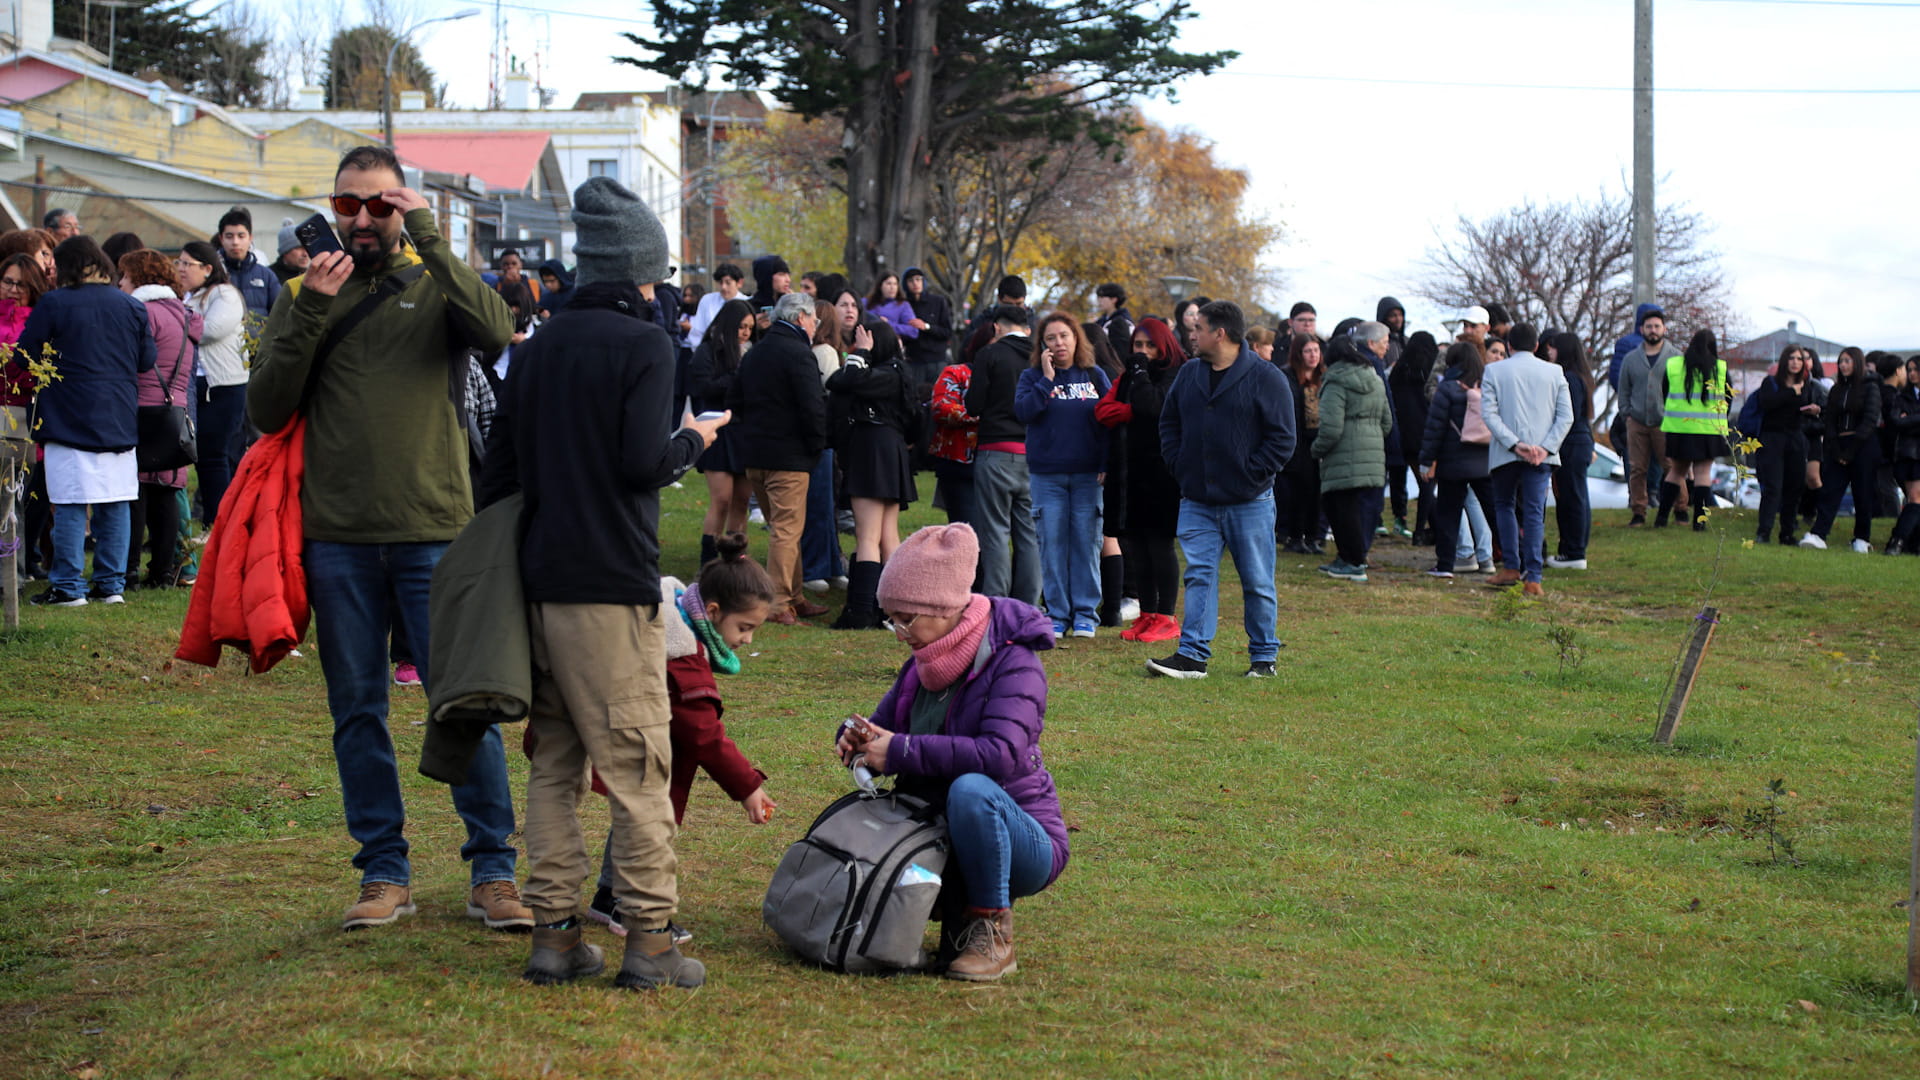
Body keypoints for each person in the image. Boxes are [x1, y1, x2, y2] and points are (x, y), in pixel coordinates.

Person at [247, 144, 527, 931]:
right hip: (336, 537)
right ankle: (382, 871)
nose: (364, 219)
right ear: (331, 208)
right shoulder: (304, 294)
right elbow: (265, 409)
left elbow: (499, 329)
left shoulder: (434, 285)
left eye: (381, 204)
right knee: (358, 709)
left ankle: (494, 872)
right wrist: (307, 307)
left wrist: (430, 236)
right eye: (349, 205)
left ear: (402, 209)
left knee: (463, 702)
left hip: (437, 530)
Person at [476, 175, 722, 989]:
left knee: (553, 766)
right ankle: (649, 942)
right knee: (638, 769)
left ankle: (554, 937)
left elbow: (498, 472)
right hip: (610, 589)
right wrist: (692, 440)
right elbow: (640, 463)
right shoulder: (647, 346)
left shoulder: (536, 349)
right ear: (641, 274)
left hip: (536, 584)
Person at [835, 523, 1070, 981]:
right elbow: (886, 729)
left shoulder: (1015, 662)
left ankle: (992, 931)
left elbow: (1000, 755)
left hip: (1023, 839)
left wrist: (898, 751)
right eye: (892, 619)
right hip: (943, 833)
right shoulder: (921, 663)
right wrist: (859, 738)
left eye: (907, 618)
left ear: (944, 608)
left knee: (971, 791)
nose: (900, 632)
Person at [578, 535, 782, 940]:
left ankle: (608, 895)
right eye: (744, 627)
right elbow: (705, 734)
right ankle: (634, 906)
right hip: (639, 750)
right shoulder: (681, 658)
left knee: (632, 823)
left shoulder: (673, 621)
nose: (747, 640)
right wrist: (748, 787)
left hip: (632, 742)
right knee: (647, 829)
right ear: (712, 610)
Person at [1150, 300, 1294, 679]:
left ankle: (1264, 659)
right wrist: (1180, 466)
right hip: (1196, 498)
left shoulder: (1267, 377)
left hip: (1251, 501)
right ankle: (1192, 656)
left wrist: (1250, 475)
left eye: (1198, 328)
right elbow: (1170, 423)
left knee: (1258, 581)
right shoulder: (1189, 374)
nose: (1190, 334)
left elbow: (1283, 439)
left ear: (1221, 333)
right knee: (1199, 574)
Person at [12, 236, 151, 606]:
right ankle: (110, 585)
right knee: (116, 501)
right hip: (119, 415)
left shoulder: (56, 303)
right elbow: (146, 361)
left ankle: (68, 586)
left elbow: (23, 356)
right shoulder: (131, 306)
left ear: (69, 266)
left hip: (67, 414)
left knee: (70, 502)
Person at [729, 291, 831, 623]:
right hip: (789, 457)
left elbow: (736, 400)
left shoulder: (755, 353)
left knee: (784, 528)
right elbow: (812, 406)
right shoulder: (799, 353)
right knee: (786, 530)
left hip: (756, 455)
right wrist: (818, 445)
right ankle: (776, 602)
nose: (816, 325)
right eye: (814, 319)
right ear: (800, 317)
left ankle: (795, 595)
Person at [1017, 313, 1110, 638]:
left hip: (1088, 476)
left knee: (1086, 544)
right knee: (1052, 544)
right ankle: (1057, 613)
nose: (1058, 343)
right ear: (1042, 345)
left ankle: (1085, 614)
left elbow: (1110, 421)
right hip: (1047, 477)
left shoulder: (1095, 376)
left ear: (1076, 339)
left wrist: (1106, 461)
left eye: (1064, 336)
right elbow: (1025, 412)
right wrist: (1046, 379)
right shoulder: (1031, 377)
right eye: (1051, 338)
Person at [826, 318, 919, 629]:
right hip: (891, 450)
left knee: (868, 536)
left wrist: (860, 354)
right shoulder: (898, 374)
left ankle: (863, 610)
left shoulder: (878, 374)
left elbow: (840, 381)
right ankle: (893, 610)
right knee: (888, 535)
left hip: (871, 448)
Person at [117, 250, 202, 588]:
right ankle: (164, 571)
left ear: (138, 277)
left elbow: (131, 360)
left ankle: (130, 570)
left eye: (123, 276)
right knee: (167, 489)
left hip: (140, 408)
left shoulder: (140, 312)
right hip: (175, 410)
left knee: (135, 491)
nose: (119, 283)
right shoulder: (184, 315)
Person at [1099, 316, 1185, 643]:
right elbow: (1104, 411)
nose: (1144, 351)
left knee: (1159, 545)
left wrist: (1137, 376)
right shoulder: (1131, 374)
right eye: (1138, 345)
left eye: (1150, 345)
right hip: (1129, 470)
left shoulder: (1174, 372)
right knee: (1136, 545)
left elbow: (1152, 406)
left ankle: (1166, 615)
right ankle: (1148, 613)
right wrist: (1131, 403)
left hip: (1162, 471)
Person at [1480, 324, 1573, 595]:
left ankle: (1510, 567)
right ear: (1536, 346)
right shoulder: (1554, 372)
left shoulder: (1494, 370)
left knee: (1504, 506)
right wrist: (1545, 447)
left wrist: (1514, 444)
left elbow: (1490, 414)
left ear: (1509, 346)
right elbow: (1566, 416)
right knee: (1534, 512)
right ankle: (1533, 577)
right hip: (1541, 455)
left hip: (1505, 453)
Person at [964, 303, 1041, 605]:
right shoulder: (1041, 358)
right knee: (1030, 535)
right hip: (1034, 454)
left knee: (995, 532)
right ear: (1029, 329)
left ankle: (997, 603)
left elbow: (973, 404)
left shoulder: (990, 355)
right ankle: (1029, 605)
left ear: (996, 327)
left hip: (995, 451)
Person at [174, 241, 248, 529]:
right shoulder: (189, 296)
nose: (180, 269)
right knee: (203, 457)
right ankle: (215, 522)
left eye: (187, 264)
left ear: (207, 268)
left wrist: (176, 320)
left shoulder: (225, 294)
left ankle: (217, 523)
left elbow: (210, 330)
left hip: (224, 387)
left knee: (215, 455)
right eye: (178, 263)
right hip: (197, 385)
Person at [1311, 327, 1393, 583]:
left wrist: (1315, 450)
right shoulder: (1375, 379)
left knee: (1340, 510)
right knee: (1357, 511)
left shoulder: (1335, 381)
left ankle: (1354, 562)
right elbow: (1387, 422)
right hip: (1372, 455)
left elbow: (1331, 428)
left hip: (1342, 457)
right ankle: (1347, 559)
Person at [1419, 341, 1494, 579]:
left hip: (1452, 463)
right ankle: (1511, 559)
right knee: (1495, 512)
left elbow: (1435, 428)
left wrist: (1426, 460)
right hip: (1485, 461)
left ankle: (1445, 565)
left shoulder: (1448, 388)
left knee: (1449, 514)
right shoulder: (1488, 386)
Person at [688, 298, 755, 564]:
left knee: (741, 501)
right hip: (717, 430)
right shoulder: (707, 352)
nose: (746, 333)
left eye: (750, 328)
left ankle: (735, 560)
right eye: (741, 327)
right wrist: (738, 375)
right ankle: (708, 562)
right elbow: (703, 388)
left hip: (745, 432)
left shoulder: (753, 351)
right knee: (722, 500)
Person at [0, 252, 51, 579]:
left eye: (22, 283)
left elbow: (34, 373)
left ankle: (13, 574)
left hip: (23, 416)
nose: (13, 289)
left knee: (15, 501)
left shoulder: (40, 321)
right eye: (8, 281)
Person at [1800, 347, 1881, 552]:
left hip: (1863, 446)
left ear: (1857, 362)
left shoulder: (1870, 388)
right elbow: (1830, 419)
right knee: (1830, 491)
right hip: (1838, 445)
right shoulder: (1836, 389)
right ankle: (1818, 534)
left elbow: (1870, 420)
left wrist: (1851, 450)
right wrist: (1836, 448)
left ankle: (1862, 538)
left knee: (1862, 492)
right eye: (1841, 361)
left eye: (1847, 361)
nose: (1843, 365)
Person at [1655, 329, 1731, 531]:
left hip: (1679, 428)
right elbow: (1728, 397)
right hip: (1709, 429)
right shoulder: (1720, 368)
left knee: (1676, 471)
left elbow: (1665, 392)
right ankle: (1699, 522)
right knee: (1703, 473)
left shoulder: (1674, 365)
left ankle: (1661, 518)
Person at [1615, 306, 1685, 526]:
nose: (1653, 330)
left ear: (1664, 328)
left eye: (1657, 326)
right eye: (1649, 327)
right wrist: (1626, 413)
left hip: (1667, 422)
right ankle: (1638, 511)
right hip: (1636, 421)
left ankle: (1681, 508)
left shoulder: (1676, 357)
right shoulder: (1630, 358)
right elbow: (1623, 388)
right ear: (1641, 329)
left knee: (1672, 466)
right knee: (1637, 468)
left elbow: (1683, 390)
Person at [1750, 345, 1817, 545]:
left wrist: (1812, 410)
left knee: (1794, 487)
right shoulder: (1770, 383)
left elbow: (1799, 408)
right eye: (1792, 358)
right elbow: (1768, 403)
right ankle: (1764, 532)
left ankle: (1787, 533)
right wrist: (1790, 392)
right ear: (1784, 361)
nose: (1796, 362)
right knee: (1772, 487)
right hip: (1772, 439)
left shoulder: (1805, 385)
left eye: (1799, 358)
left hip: (1795, 438)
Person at [1545, 332, 1595, 568]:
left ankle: (1573, 552)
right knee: (1577, 497)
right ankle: (1573, 549)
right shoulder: (1581, 377)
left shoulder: (1569, 379)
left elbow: (1569, 416)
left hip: (1572, 444)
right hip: (1580, 441)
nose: (1549, 353)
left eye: (1553, 348)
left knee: (1572, 498)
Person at [1278, 332, 1325, 554]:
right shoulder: (1287, 377)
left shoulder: (1323, 377)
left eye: (1316, 350)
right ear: (1298, 353)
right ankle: (1295, 537)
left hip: (1319, 442)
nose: (1313, 355)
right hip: (1297, 442)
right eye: (1308, 351)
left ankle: (1313, 536)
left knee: (1316, 491)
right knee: (1298, 492)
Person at [1389, 330, 1437, 542]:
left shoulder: (1398, 372)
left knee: (1418, 481)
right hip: (1425, 435)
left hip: (1402, 434)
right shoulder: (1429, 373)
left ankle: (1417, 527)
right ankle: (1421, 530)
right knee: (1428, 484)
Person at [928, 357, 979, 525]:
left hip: (1003, 459)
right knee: (965, 528)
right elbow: (941, 407)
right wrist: (981, 415)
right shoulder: (957, 372)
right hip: (959, 464)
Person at [215, 206, 282, 322]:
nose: (235, 242)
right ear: (221, 239)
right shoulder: (213, 273)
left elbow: (280, 315)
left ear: (250, 238)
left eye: (241, 236)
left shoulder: (266, 276)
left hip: (259, 339)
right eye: (229, 236)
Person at [1884, 355, 1920, 554]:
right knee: (1915, 499)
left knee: (1916, 499)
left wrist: (1910, 420)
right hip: (1908, 455)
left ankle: (1902, 542)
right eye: (1910, 369)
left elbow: (1904, 422)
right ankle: (1904, 542)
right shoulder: (1901, 397)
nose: (1912, 373)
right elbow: (1896, 422)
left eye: (1916, 369)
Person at [901, 267, 953, 390]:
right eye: (911, 281)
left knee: (939, 397)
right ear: (905, 284)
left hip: (936, 360)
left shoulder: (938, 301)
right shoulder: (903, 305)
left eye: (918, 279)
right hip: (914, 360)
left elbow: (947, 332)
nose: (915, 284)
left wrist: (926, 327)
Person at [961, 276, 1031, 363]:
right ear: (999, 299)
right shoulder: (981, 322)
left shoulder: (1033, 323)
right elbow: (966, 352)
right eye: (1008, 304)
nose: (1014, 309)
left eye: (1018, 304)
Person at [686, 262, 744, 350]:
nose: (723, 287)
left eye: (728, 283)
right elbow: (697, 332)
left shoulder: (746, 302)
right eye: (721, 283)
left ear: (739, 283)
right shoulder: (707, 300)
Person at [865, 272, 920, 346]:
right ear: (880, 285)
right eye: (888, 284)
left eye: (895, 284)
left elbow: (913, 331)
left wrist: (889, 324)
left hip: (890, 346)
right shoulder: (866, 302)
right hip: (867, 344)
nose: (892, 287)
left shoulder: (903, 305)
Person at [1094, 283, 1135, 361]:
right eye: (1098, 297)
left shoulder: (1124, 322)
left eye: (1102, 297)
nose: (1099, 300)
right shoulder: (1100, 322)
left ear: (1114, 299)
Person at [270, 218, 309, 282]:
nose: (305, 254)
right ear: (285, 252)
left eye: (306, 248)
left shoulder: (312, 276)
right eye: (298, 248)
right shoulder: (269, 277)